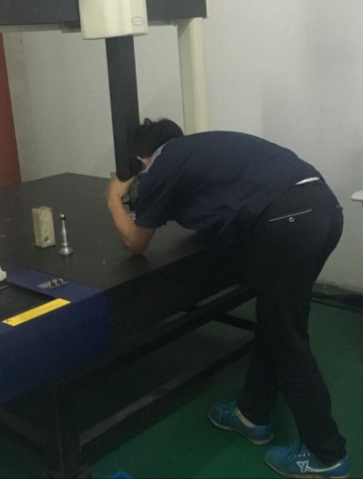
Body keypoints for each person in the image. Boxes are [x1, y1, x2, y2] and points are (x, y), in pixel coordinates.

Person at [105, 118, 349, 478]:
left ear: (142, 158)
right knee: (276, 323)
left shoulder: (160, 165)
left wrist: (113, 198)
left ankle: (326, 453)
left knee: (288, 340)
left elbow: (136, 242)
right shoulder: (201, 151)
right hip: (324, 209)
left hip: (288, 221)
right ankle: (252, 413)